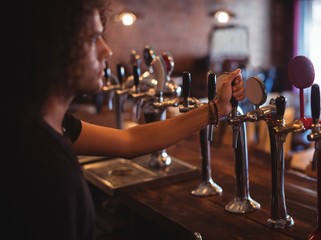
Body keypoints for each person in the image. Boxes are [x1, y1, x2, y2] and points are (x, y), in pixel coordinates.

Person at [3, 0, 245, 239]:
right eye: (91, 38)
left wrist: (215, 108)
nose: (105, 50)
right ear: (52, 48)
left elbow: (129, 141)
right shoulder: (39, 165)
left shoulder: (49, 123)